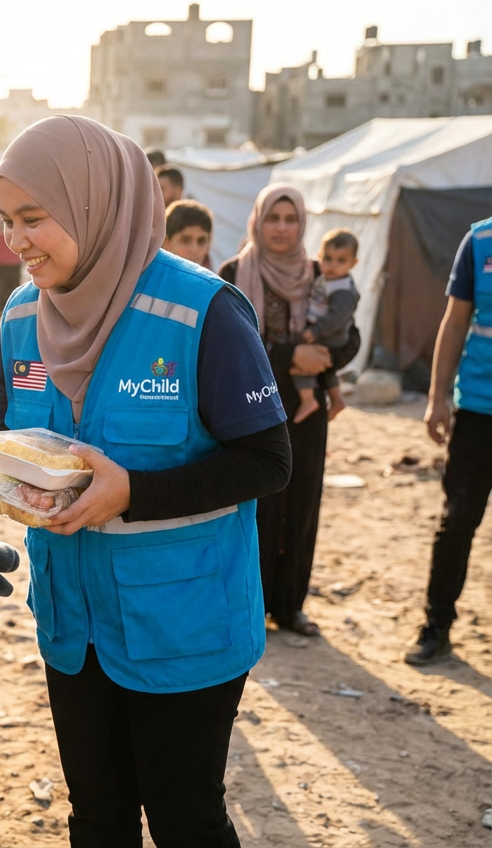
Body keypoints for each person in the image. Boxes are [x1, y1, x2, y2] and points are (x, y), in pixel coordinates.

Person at [0, 116, 292, 848]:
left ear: (92, 205)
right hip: (76, 625)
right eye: (7, 220)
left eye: (35, 218)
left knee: (185, 818)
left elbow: (269, 461)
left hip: (183, 624)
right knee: (97, 815)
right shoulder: (23, 319)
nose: (17, 240)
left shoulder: (200, 312)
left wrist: (133, 491)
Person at [219, 185, 360, 637]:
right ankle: (251, 604)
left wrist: (325, 360)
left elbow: (350, 337)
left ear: (302, 223)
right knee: (254, 507)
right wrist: (290, 359)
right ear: (257, 221)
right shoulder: (233, 274)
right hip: (247, 415)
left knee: (301, 504)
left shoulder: (319, 273)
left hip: (305, 412)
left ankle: (291, 606)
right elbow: (226, 350)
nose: (281, 228)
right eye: (272, 218)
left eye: (290, 218)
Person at [405, 217, 492, 665]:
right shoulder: (479, 241)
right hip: (478, 409)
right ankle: (437, 625)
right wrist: (437, 397)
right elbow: (455, 322)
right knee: (458, 520)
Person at [293, 229, 360, 424]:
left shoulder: (343, 290)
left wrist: (315, 331)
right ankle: (337, 400)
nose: (332, 265)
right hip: (326, 330)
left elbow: (336, 318)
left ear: (353, 263)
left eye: (341, 261)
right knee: (326, 370)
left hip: (331, 334)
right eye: (328, 258)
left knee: (303, 362)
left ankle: (308, 400)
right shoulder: (327, 279)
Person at [0, 214, 25, 314]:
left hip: (9, 265)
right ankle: (4, 311)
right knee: (5, 290)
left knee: (10, 290)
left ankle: (6, 311)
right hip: (4, 265)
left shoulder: (15, 229)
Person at [163, 200, 213, 270]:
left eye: (201, 241)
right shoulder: (150, 278)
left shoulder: (216, 279)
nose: (194, 249)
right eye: (185, 240)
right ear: (166, 242)